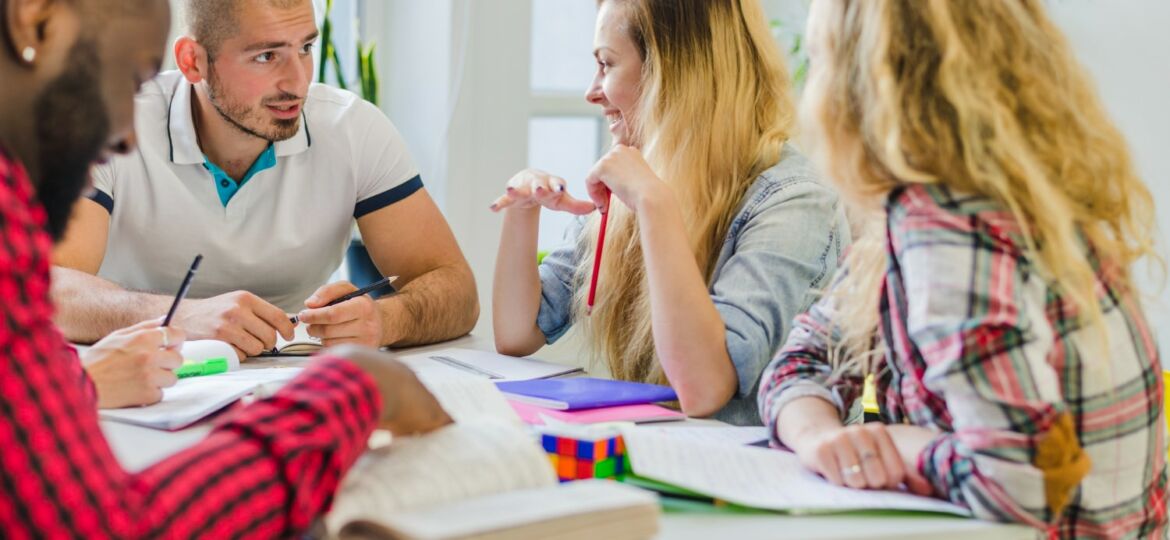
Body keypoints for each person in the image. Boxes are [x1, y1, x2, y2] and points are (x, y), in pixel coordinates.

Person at [0, 0, 452, 535]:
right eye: (124, 77)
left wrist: (79, 385)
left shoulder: (352, 126)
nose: (124, 137)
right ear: (36, 20)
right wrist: (351, 389)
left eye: (307, 48)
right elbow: (103, 527)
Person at [759, 0, 1166, 536]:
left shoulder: (948, 225)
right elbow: (800, 363)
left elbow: (1021, 486)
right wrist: (821, 439)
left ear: (858, 85)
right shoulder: (1016, 196)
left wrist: (905, 445)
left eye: (819, 62)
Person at [51, 0, 479, 363]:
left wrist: (386, 319)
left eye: (306, 47)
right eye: (266, 56)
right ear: (192, 61)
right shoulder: (111, 124)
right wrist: (178, 317)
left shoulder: (353, 129)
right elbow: (45, 286)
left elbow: (455, 288)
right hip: (139, 378)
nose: (297, 83)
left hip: (291, 379)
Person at [492, 0, 848, 425]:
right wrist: (524, 210)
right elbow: (516, 334)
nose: (592, 90)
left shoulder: (795, 201)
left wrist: (654, 206)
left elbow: (703, 389)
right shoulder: (640, 176)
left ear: (674, 74)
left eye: (607, 64)